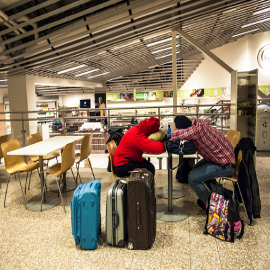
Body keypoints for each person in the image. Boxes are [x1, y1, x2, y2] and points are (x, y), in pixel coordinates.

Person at [171, 116, 235, 209]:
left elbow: (174, 135)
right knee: (196, 169)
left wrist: (177, 133)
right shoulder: (198, 124)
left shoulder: (197, 131)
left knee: (192, 177)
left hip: (226, 165)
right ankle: (214, 195)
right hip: (222, 159)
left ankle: (212, 207)